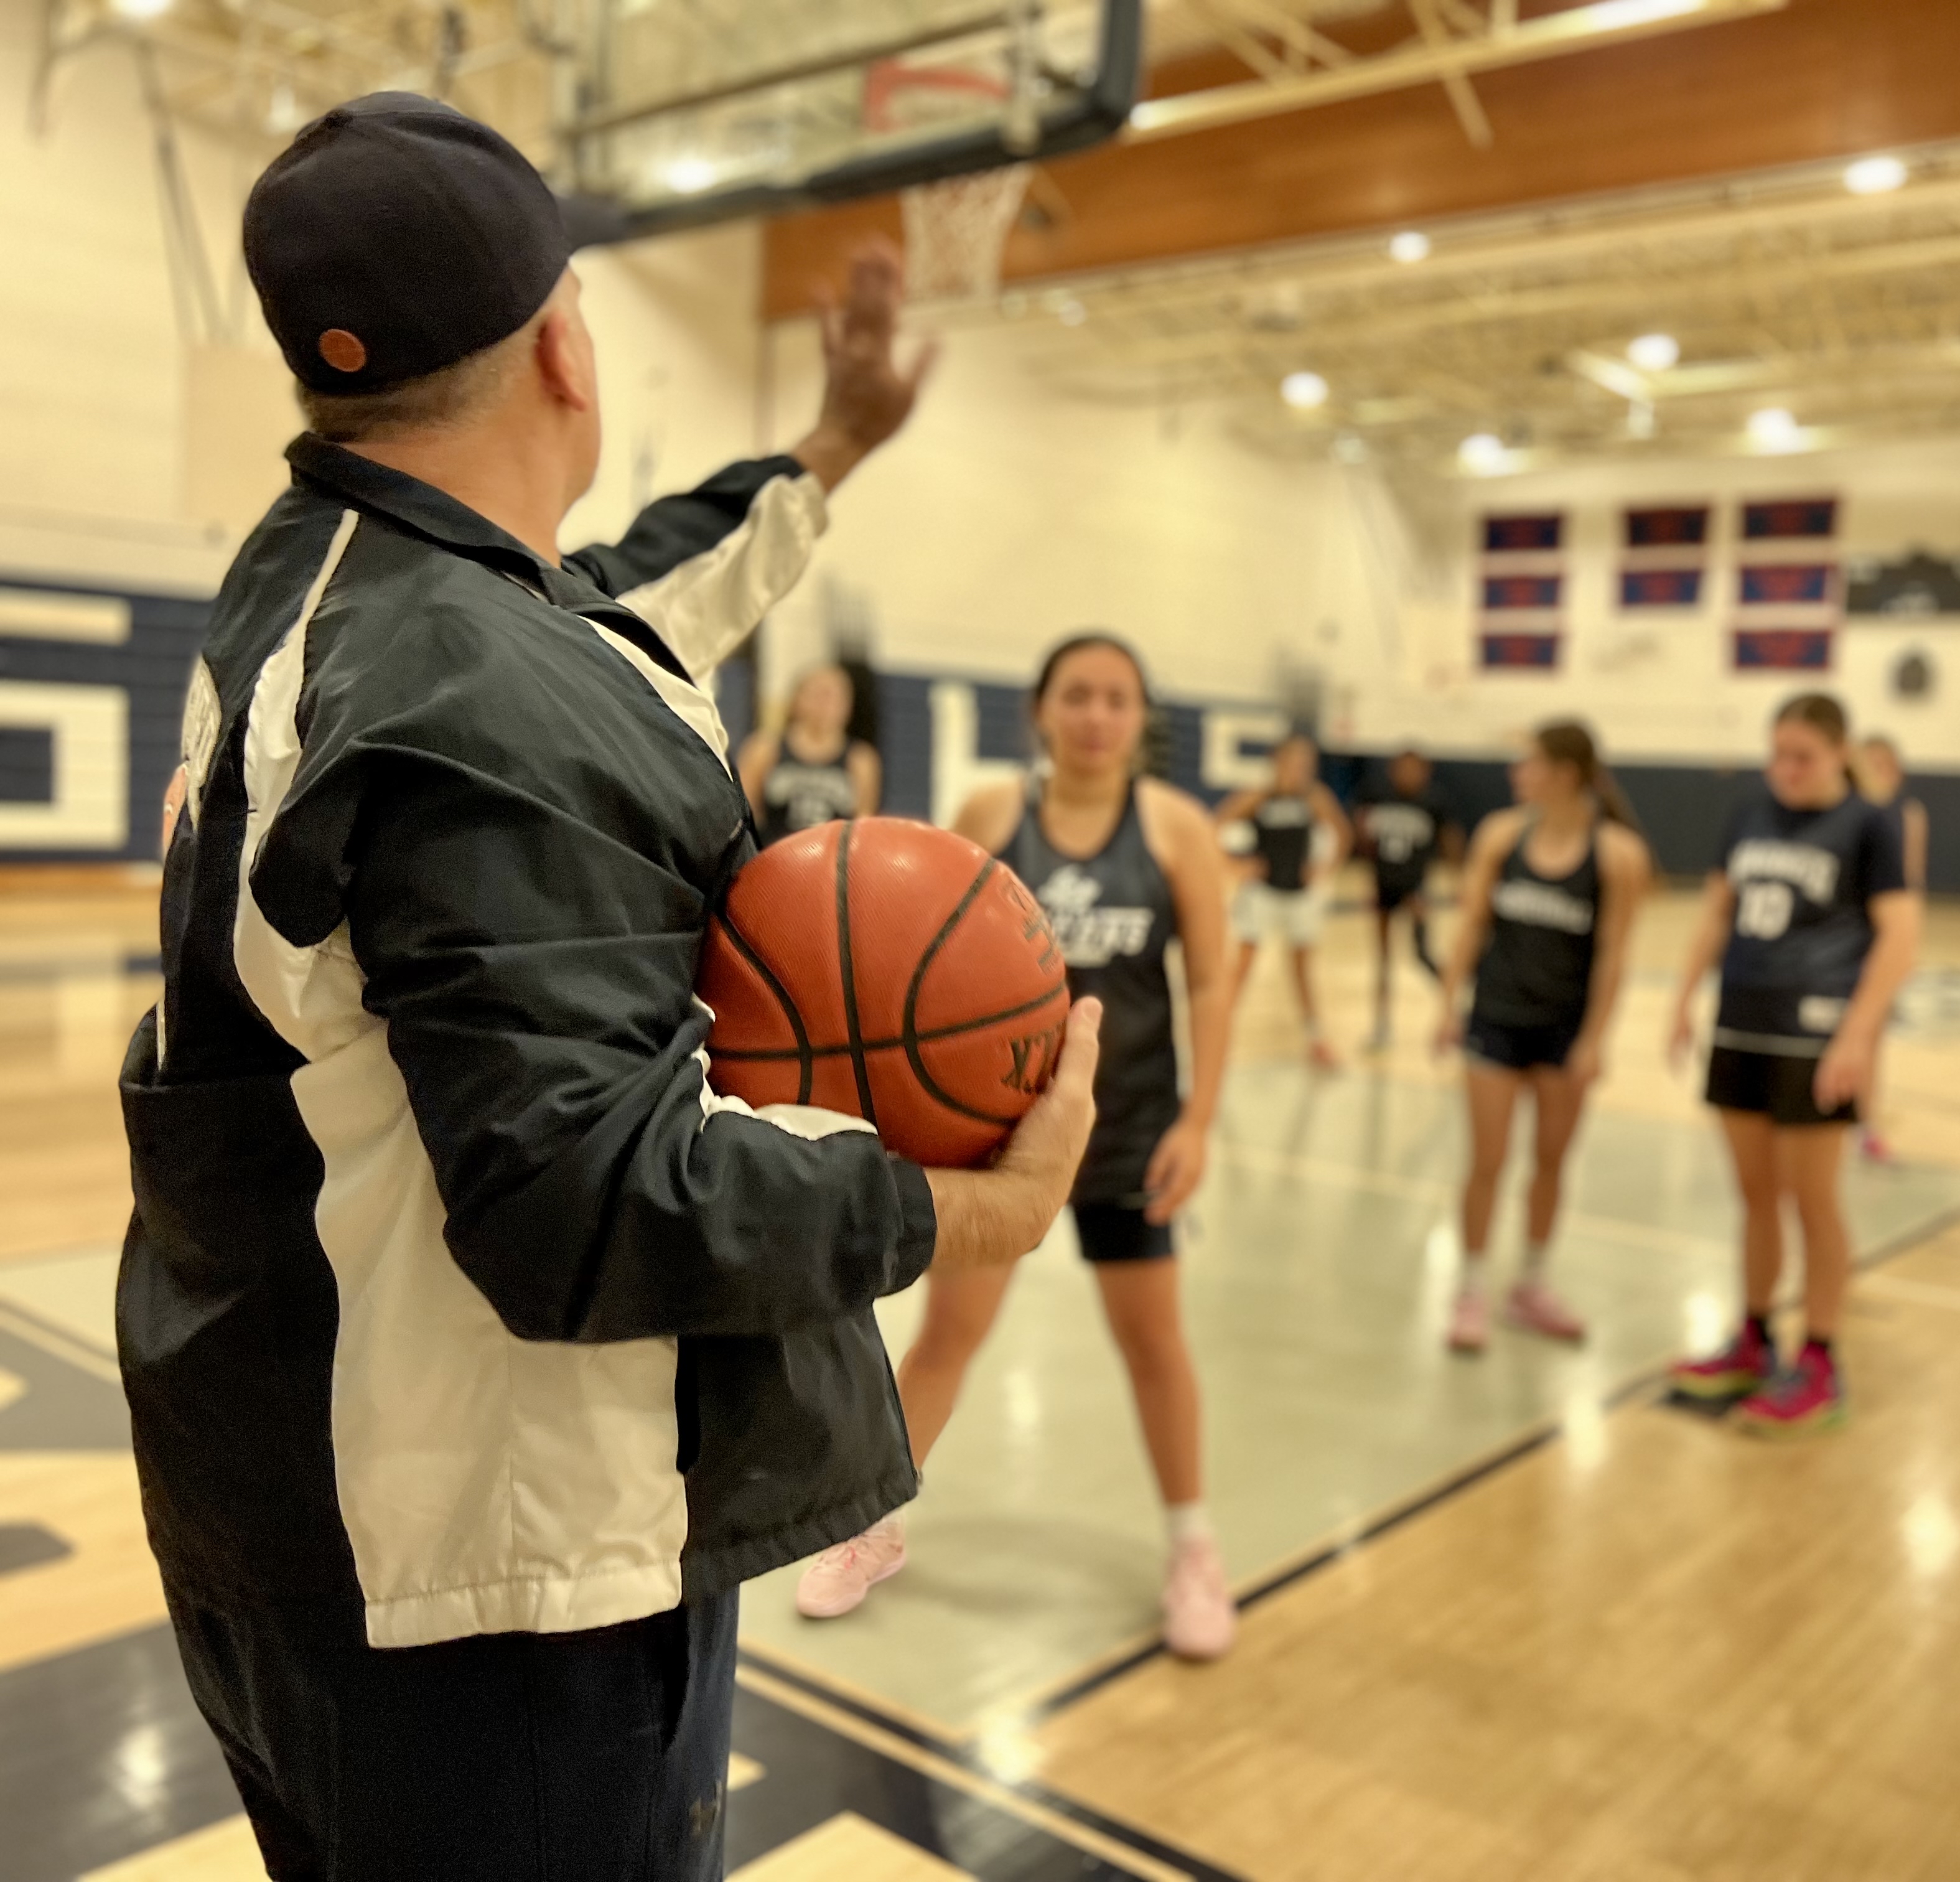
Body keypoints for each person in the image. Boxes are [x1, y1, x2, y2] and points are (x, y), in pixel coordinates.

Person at [122, 94, 1099, 1882]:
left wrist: (827, 447)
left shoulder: (331, 584)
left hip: (296, 1501)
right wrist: (978, 1203)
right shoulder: (470, 698)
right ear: (569, 345)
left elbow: (620, 604)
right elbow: (590, 1204)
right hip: (485, 1593)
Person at [795, 633, 1241, 1659]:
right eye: (1077, 694)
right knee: (950, 1332)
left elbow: (1213, 980)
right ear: (1041, 710)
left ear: (1140, 718)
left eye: (1117, 698)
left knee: (1153, 1343)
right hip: (1004, 1127)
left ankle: (1193, 1545)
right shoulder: (994, 815)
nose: (1096, 714)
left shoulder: (1177, 829)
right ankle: (874, 1522)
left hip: (1128, 1124)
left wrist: (1200, 1119)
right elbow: (929, 955)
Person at [1665, 693, 1921, 1436]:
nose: (1786, 769)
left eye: (1802, 756)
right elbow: (1717, 910)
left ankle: (1819, 1354)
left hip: (1813, 1033)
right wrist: (1683, 996)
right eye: (1777, 753)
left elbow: (1899, 937)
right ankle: (1751, 1337)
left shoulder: (1870, 825)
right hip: (1742, 1021)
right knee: (1754, 1195)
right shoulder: (1749, 815)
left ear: (1840, 752)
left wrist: (1856, 1036)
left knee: (1813, 1199)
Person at [1434, 723, 1650, 1352]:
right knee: (1487, 1159)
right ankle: (1471, 1286)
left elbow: (1613, 955)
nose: (1516, 772)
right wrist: (1448, 1003)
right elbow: (1472, 924)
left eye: (1528, 763)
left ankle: (1531, 1283)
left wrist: (1594, 1040)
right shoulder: (1501, 836)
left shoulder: (1616, 855)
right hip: (1495, 1020)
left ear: (1563, 772)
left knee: (1550, 1161)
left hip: (1562, 1030)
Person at [1220, 731, 1355, 1069]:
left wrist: (1325, 868)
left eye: (1307, 763)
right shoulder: (1258, 796)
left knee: (1302, 971)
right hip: (1262, 894)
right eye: (1295, 761)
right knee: (1242, 967)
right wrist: (1237, 865)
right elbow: (1212, 827)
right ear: (1277, 761)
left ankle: (1316, 1039)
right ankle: (1218, 1035)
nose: (1302, 768)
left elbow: (1344, 835)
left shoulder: (1315, 797)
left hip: (1300, 896)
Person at [1847, 733, 1928, 1163]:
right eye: (1870, 763)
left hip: (1881, 936)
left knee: (1870, 1033)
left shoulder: (1907, 815)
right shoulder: (1843, 815)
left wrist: (1907, 948)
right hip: (1842, 936)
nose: (1878, 772)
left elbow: (1911, 883)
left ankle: (1864, 1123)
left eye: (1886, 764)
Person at [1358, 746, 1453, 1049]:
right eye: (1403, 767)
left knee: (1423, 954)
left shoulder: (1434, 801)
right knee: (1383, 960)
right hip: (1384, 887)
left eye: (1416, 768)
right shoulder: (1376, 795)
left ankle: (1456, 1012)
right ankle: (1381, 1024)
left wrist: (1455, 879)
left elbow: (1451, 840)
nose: (1409, 774)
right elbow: (1361, 832)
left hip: (1416, 889)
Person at [736, 661, 880, 841]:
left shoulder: (861, 759)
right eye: (820, 694)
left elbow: (863, 828)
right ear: (797, 699)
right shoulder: (764, 748)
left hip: (832, 864)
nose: (827, 704)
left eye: (836, 696)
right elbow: (743, 815)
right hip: (774, 857)